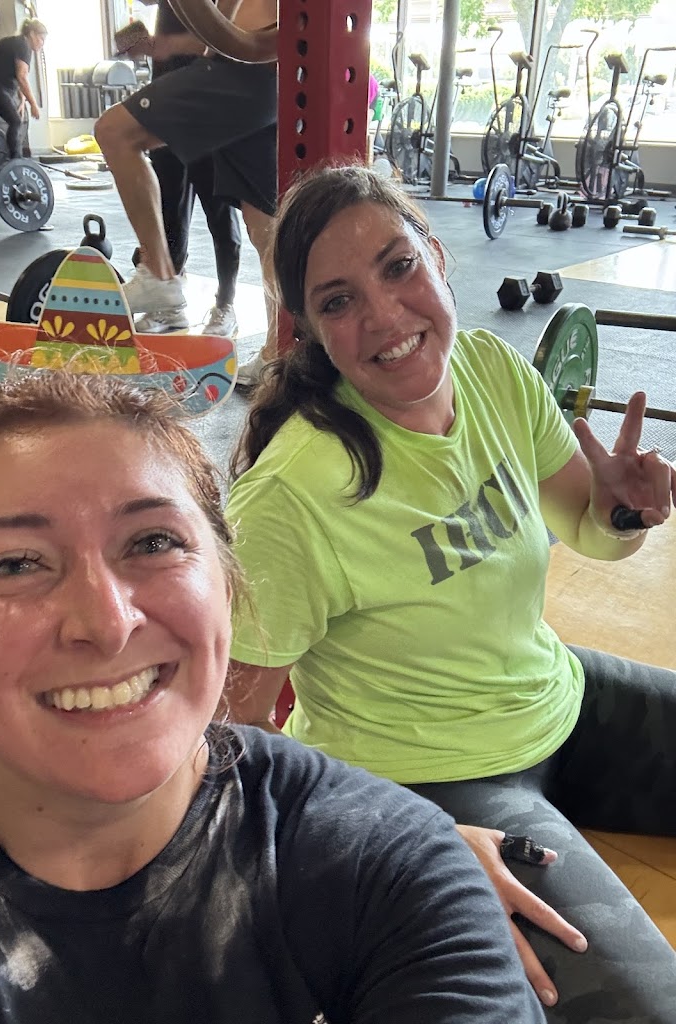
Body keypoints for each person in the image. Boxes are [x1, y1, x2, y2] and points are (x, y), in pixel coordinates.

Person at [0, 371, 545, 1023]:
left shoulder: (390, 868)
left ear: (229, 585)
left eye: (153, 542)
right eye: (14, 563)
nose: (107, 622)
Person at [225, 164, 676, 1021]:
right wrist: (399, 843)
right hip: (428, 783)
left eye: (398, 267)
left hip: (554, 695)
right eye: (338, 301)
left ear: (435, 253)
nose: (385, 317)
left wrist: (621, 512)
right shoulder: (290, 499)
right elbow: (226, 744)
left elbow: (584, 525)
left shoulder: (491, 369)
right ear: (310, 330)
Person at [94, 0, 276, 385]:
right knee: (264, 224)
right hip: (248, 70)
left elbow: (228, 31)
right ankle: (279, 353)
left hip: (243, 70)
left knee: (115, 132)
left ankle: (168, 280)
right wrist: (163, 44)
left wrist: (182, 46)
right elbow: (221, 23)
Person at [114, 11, 242, 339]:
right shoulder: (167, 16)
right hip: (167, 120)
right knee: (169, 214)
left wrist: (176, 44)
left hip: (206, 117)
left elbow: (230, 42)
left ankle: (226, 304)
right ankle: (170, 306)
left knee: (220, 217)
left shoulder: (213, 10)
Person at [0, 18, 47, 160]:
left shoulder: (18, 42)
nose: (42, 43)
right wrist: (33, 105)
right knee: (15, 121)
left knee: (15, 119)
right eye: (41, 39)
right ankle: (16, 161)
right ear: (32, 34)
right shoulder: (23, 45)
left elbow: (16, 75)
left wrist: (22, 99)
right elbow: (22, 77)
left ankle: (15, 159)